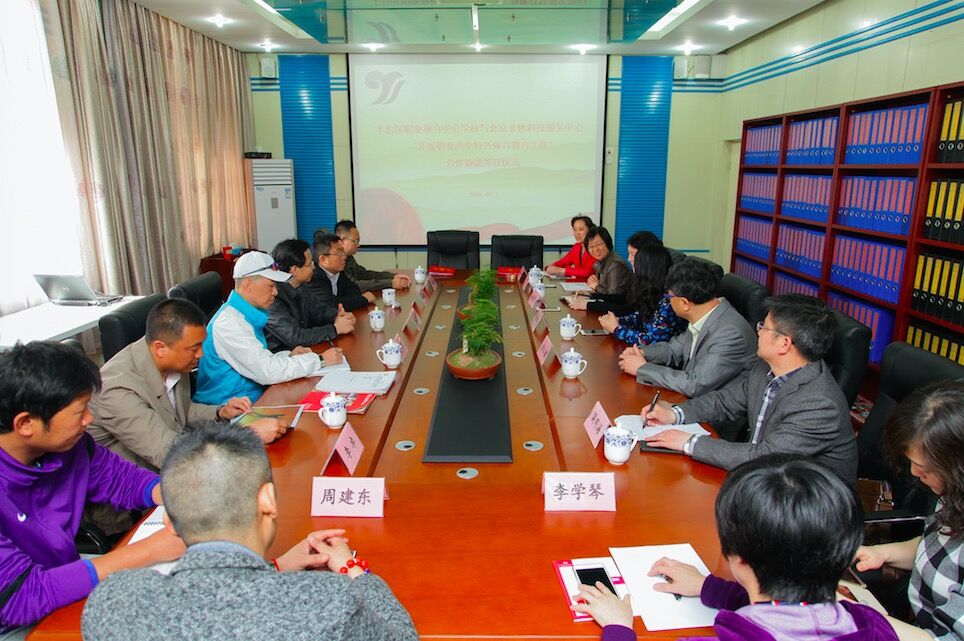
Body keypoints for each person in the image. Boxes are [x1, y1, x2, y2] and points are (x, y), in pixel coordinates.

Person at [81, 422, 419, 641]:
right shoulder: (330, 602)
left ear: (169, 519)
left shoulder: (112, 602)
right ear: (268, 500)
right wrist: (353, 570)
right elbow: (402, 636)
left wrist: (277, 567)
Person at [573, 455, 897, 641]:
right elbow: (790, 613)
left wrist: (619, 627)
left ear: (737, 559)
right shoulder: (874, 625)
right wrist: (711, 588)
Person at [0, 342, 184, 636]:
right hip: (17, 619)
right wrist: (151, 549)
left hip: (62, 578)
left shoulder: (69, 446)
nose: (90, 419)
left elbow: (120, 479)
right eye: (80, 412)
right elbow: (22, 596)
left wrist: (176, 494)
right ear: (25, 424)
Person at [87, 298, 288, 534]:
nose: (200, 354)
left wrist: (220, 412)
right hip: (131, 510)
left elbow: (179, 411)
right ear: (160, 348)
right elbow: (167, 451)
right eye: (194, 348)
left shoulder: (172, 360)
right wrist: (245, 434)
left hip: (175, 481)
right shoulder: (116, 388)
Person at [643, 294, 857, 480]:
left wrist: (690, 443)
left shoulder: (819, 404)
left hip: (804, 502)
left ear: (784, 344)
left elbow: (765, 457)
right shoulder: (765, 369)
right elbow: (725, 401)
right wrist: (675, 414)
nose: (758, 332)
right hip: (761, 480)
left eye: (764, 327)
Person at [855, 381, 964, 641]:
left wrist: (864, 618)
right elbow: (938, 546)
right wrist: (882, 553)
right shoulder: (954, 494)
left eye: (924, 468)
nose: (915, 473)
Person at [194, 251, 342, 406]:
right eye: (271, 286)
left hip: (254, 398)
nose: (275, 292)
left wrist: (288, 356)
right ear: (248, 285)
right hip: (232, 410)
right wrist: (320, 360)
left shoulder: (245, 314)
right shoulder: (229, 324)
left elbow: (258, 359)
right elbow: (267, 371)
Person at [618, 258, 756, 398]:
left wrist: (642, 368)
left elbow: (696, 384)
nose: (667, 300)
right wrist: (642, 353)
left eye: (669, 296)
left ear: (684, 303)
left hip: (714, 406)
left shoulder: (730, 333)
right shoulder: (704, 314)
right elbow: (672, 350)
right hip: (690, 397)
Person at [266, 239, 356, 352]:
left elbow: (319, 310)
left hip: (304, 352)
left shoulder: (301, 287)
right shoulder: (272, 298)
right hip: (283, 357)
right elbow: (295, 337)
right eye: (309, 264)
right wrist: (335, 329)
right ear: (294, 270)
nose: (314, 267)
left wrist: (338, 316)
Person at [597, 243, 687, 346]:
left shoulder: (669, 300)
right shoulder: (651, 291)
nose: (631, 262)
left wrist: (617, 329)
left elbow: (651, 340)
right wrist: (619, 321)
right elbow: (640, 318)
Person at [567, 227, 635, 316]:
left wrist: (596, 286)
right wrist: (588, 295)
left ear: (607, 243)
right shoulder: (599, 262)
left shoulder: (615, 265)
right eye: (591, 246)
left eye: (598, 244)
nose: (595, 249)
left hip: (617, 315)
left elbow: (613, 297)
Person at [304, 233, 377, 312]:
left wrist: (344, 300)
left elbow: (355, 291)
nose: (344, 257)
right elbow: (331, 305)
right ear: (323, 259)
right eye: (339, 253)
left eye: (343, 252)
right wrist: (363, 299)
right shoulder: (312, 277)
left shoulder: (338, 271)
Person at [335, 220, 411, 292]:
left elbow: (364, 274)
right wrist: (391, 283)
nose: (358, 245)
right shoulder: (336, 261)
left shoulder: (349, 258)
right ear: (342, 241)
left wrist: (392, 276)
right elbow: (354, 285)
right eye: (355, 241)